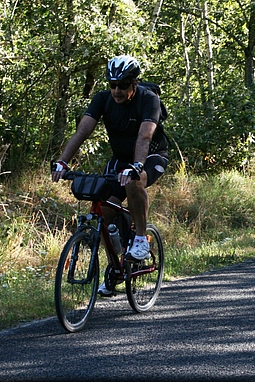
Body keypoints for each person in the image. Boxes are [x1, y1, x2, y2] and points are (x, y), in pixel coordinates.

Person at [51, 55, 169, 296]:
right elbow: (83, 130)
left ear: (134, 83)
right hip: (120, 160)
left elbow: (144, 137)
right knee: (104, 212)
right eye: (112, 85)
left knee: (136, 181)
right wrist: (63, 161)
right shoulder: (103, 99)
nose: (116, 90)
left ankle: (139, 239)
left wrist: (136, 166)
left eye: (122, 85)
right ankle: (116, 268)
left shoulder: (149, 100)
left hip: (151, 157)